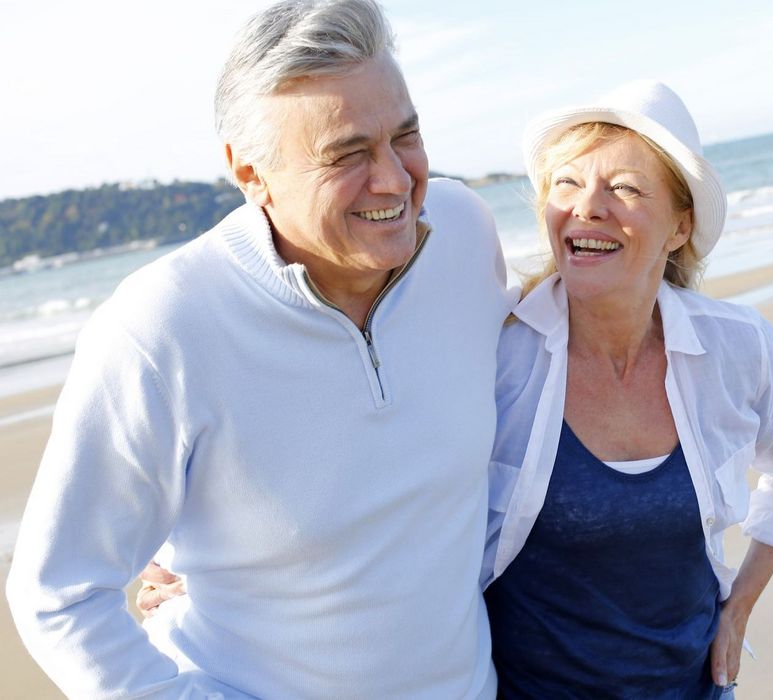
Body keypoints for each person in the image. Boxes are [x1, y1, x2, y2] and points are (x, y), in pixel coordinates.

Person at [5, 0, 512, 697]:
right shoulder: (161, 328)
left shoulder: (465, 229)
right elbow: (58, 595)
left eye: (407, 135)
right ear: (250, 175)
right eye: (348, 154)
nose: (395, 179)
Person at [480, 80, 773, 697]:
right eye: (567, 182)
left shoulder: (737, 346)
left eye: (626, 188)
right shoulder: (494, 353)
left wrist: (740, 606)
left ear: (678, 227)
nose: (588, 206)